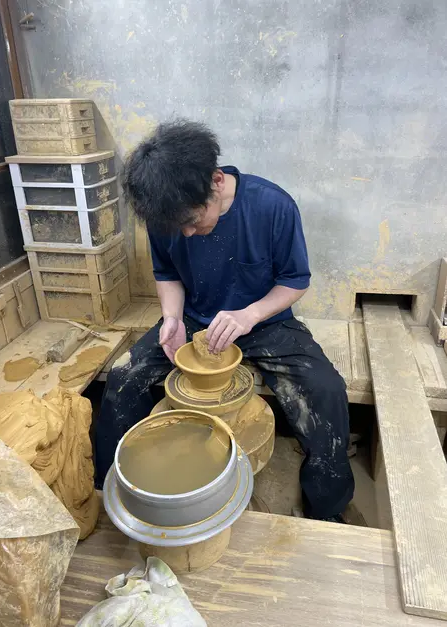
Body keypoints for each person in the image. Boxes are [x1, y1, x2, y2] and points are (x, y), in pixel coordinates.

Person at [96, 119, 354, 521]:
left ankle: (328, 510)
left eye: (194, 221)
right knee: (122, 379)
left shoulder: (272, 206)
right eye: (176, 226)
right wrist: (172, 317)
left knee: (326, 389)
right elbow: (167, 273)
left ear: (216, 181)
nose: (186, 232)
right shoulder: (167, 212)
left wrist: (250, 314)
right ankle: (110, 492)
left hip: (265, 322)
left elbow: (295, 280)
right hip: (197, 322)